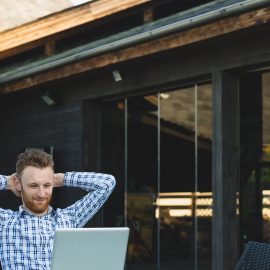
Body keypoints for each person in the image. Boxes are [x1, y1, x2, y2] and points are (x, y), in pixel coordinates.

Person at [0, 149, 116, 270]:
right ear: (19, 184)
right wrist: (7, 182)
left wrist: (60, 179)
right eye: (33, 185)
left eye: (47, 185)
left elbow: (107, 183)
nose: (41, 193)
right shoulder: (5, 221)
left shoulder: (69, 218)